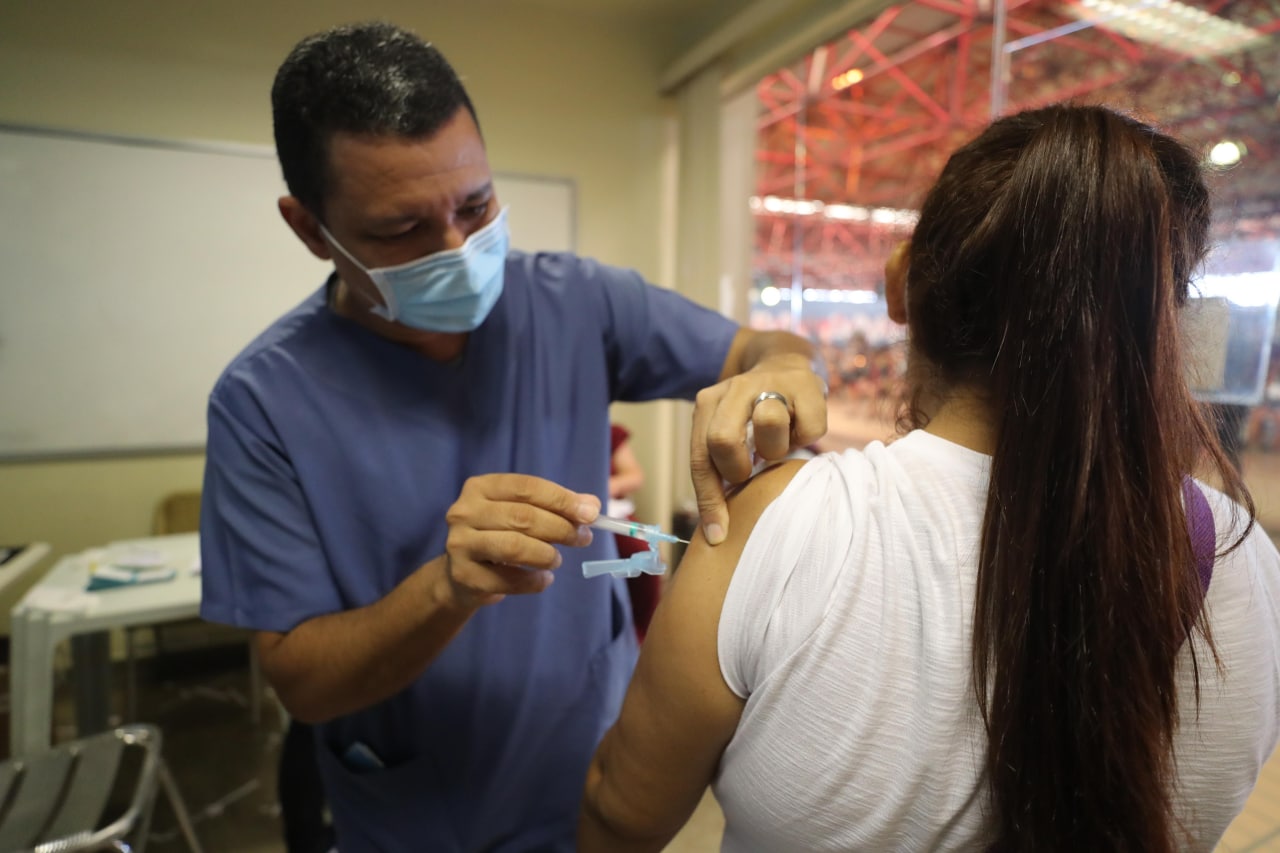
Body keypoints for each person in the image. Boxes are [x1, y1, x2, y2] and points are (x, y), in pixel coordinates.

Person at [579, 104, 1280, 852]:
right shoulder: (1250, 565)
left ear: (900, 284)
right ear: (1164, 324)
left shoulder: (779, 521)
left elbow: (620, 817)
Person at [198, 21, 827, 853]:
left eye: (476, 206)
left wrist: (778, 369)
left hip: (593, 780)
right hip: (422, 810)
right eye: (401, 230)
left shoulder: (573, 303)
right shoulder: (264, 402)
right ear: (312, 229)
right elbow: (301, 682)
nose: (457, 250)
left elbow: (755, 348)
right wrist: (445, 591)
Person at [608, 423, 660, 639]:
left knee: (644, 558)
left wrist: (604, 487)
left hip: (611, 513)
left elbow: (634, 475)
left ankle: (644, 636)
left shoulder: (609, 434)